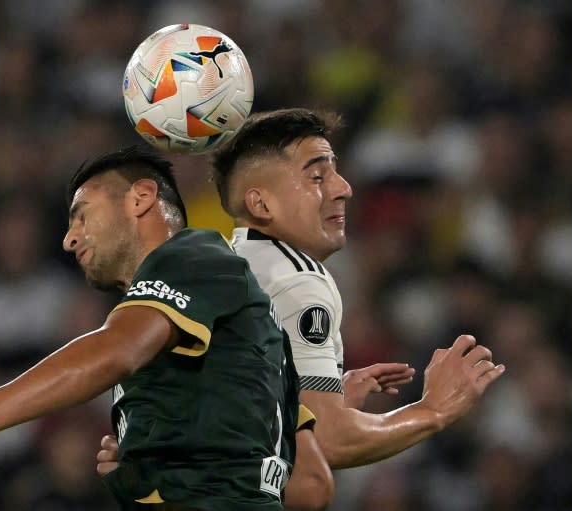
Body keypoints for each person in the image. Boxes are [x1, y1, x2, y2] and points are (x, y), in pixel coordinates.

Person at [0, 146, 333, 511]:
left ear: (140, 198)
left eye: (82, 214)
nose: (69, 238)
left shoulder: (193, 256)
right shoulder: (244, 351)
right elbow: (310, 487)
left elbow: (117, 350)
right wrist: (156, 480)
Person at [211, 107, 506, 468]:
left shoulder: (228, 263)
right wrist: (433, 409)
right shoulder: (297, 279)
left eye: (335, 171)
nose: (344, 188)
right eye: (318, 176)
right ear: (261, 203)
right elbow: (330, 443)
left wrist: (318, 399)